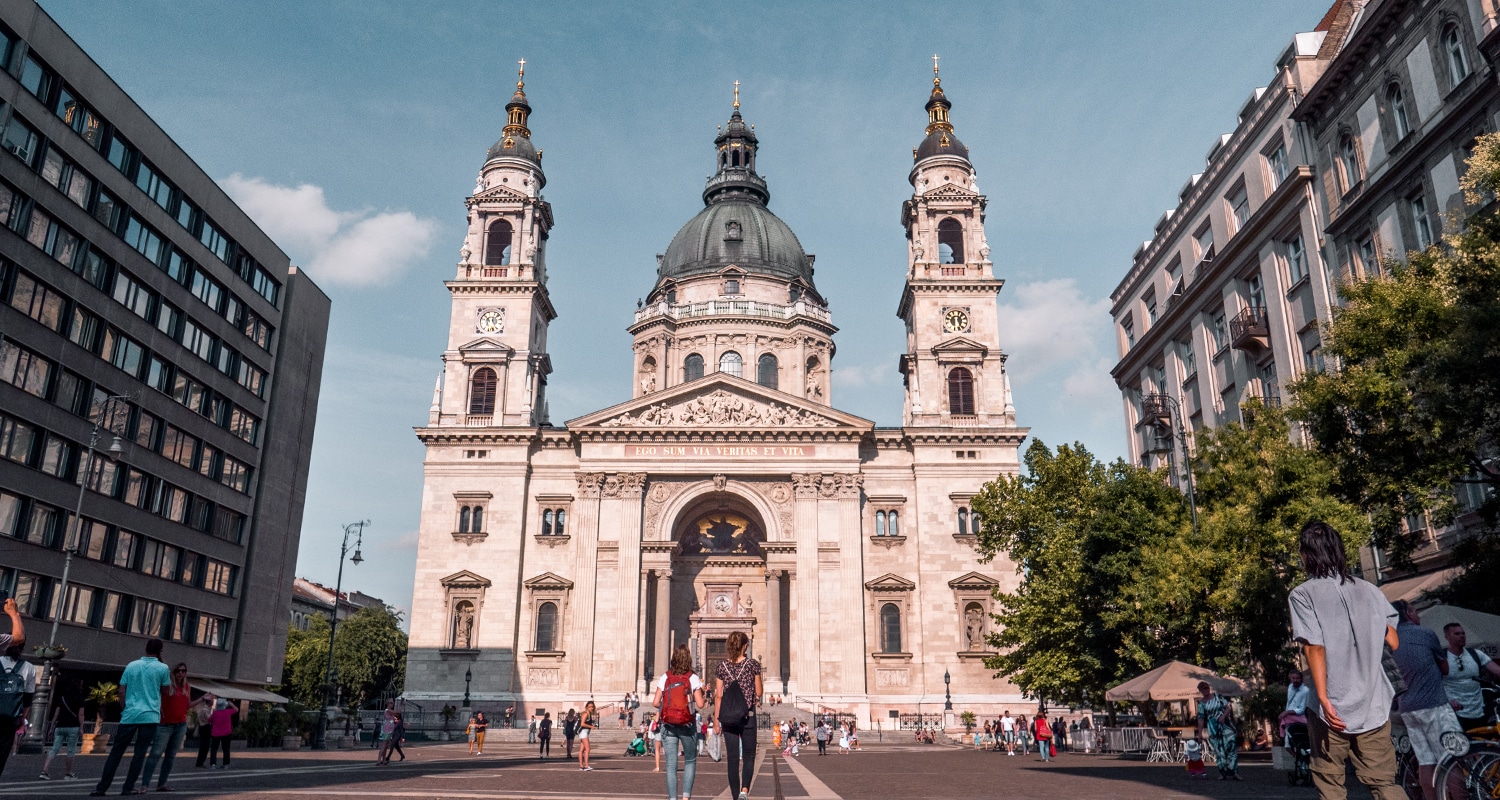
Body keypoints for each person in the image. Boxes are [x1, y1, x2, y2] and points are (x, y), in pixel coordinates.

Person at [1288, 520, 1405, 800]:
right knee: (1385, 783)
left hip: (1331, 706)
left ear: (1307, 555)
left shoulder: (1302, 595)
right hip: (1373, 703)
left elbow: (1314, 648)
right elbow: (1393, 641)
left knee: (1331, 786)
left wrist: (1325, 700)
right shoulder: (1369, 590)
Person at [1391, 600, 1464, 800]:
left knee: (1425, 761)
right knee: (1452, 758)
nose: (1418, 615)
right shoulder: (1424, 634)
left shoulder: (1389, 640)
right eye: (1415, 610)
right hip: (1434, 705)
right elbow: (1445, 668)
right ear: (1407, 613)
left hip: (1407, 709)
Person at [90, 638, 174, 796]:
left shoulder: (131, 665)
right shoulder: (163, 668)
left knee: (116, 752)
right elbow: (166, 691)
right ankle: (128, 787)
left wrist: (125, 707)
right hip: (150, 716)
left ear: (145, 649)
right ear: (160, 651)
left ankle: (102, 787)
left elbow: (121, 691)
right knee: (139, 753)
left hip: (130, 715)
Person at [713, 630, 763, 800]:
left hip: (727, 717)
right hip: (747, 715)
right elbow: (759, 691)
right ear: (745, 646)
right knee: (749, 755)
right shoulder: (753, 665)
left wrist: (716, 719)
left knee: (732, 759)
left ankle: (735, 797)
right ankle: (744, 791)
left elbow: (718, 695)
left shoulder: (721, 667)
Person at [653, 643, 705, 800]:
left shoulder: (666, 677)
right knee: (690, 761)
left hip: (668, 726)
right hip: (687, 725)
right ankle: (686, 797)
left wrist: (667, 707)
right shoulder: (693, 678)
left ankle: (672, 798)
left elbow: (655, 702)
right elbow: (701, 704)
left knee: (670, 765)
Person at [141, 662, 191, 791]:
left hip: (180, 724)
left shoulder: (186, 687)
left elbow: (187, 705)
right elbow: (154, 697)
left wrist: (203, 699)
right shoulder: (167, 686)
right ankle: (145, 784)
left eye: (183, 671)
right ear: (173, 672)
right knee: (155, 754)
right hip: (165, 724)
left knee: (171, 755)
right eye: (178, 671)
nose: (181, 673)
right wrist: (157, 709)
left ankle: (161, 784)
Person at [1442, 622, 1500, 730]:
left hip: (1479, 710)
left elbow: (1497, 670)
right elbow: (1432, 683)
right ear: (1447, 637)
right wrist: (1445, 701)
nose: (1462, 636)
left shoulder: (1476, 654)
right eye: (1457, 634)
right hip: (1454, 712)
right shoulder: (1442, 658)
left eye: (1463, 633)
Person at [0, 643, 36, 778]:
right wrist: (22, 719)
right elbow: (28, 698)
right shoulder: (29, 667)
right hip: (10, 718)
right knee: (2, 753)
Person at [39, 675, 84, 781]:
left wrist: (52, 727)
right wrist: (81, 727)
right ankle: (67, 774)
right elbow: (81, 715)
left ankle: (45, 770)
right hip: (73, 726)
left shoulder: (62, 698)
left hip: (60, 726)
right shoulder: (80, 699)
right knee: (70, 750)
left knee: (54, 749)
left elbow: (56, 713)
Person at [1194, 681, 1239, 779]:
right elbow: (1201, 719)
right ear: (1200, 691)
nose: (1205, 690)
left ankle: (1234, 771)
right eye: (1202, 689)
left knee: (1231, 745)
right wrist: (1200, 733)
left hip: (1225, 724)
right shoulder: (1201, 703)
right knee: (1219, 750)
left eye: (1206, 688)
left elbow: (1228, 707)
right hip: (1213, 727)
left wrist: (1223, 716)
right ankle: (1223, 773)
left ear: (1209, 688)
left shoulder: (1218, 697)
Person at [1279, 669, 1310, 745]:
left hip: (1299, 719)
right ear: (1290, 678)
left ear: (1301, 679)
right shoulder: (1290, 687)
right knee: (1288, 746)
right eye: (1293, 678)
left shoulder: (1305, 690)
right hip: (1289, 718)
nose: (1295, 680)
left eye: (1298, 678)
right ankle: (1298, 756)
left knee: (1300, 742)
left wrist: (1287, 712)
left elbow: (1301, 710)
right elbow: (1289, 703)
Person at [207, 698, 237, 768]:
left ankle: (213, 764)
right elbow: (236, 709)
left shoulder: (215, 713)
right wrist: (231, 704)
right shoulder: (228, 712)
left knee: (214, 749)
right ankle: (226, 764)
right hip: (227, 733)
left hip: (216, 733)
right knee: (226, 749)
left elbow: (209, 720)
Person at [192, 692, 217, 767]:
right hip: (205, 727)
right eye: (212, 700)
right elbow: (209, 719)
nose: (213, 702)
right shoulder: (205, 710)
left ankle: (200, 762)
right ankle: (200, 762)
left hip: (203, 727)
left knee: (204, 746)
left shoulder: (206, 709)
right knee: (204, 746)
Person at [578, 700, 597, 771]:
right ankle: (586, 765)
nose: (591, 708)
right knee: (588, 749)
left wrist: (591, 726)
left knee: (581, 750)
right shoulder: (585, 714)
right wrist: (591, 726)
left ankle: (581, 766)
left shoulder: (588, 714)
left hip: (585, 732)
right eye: (590, 707)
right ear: (586, 707)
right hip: (583, 732)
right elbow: (582, 724)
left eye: (592, 707)